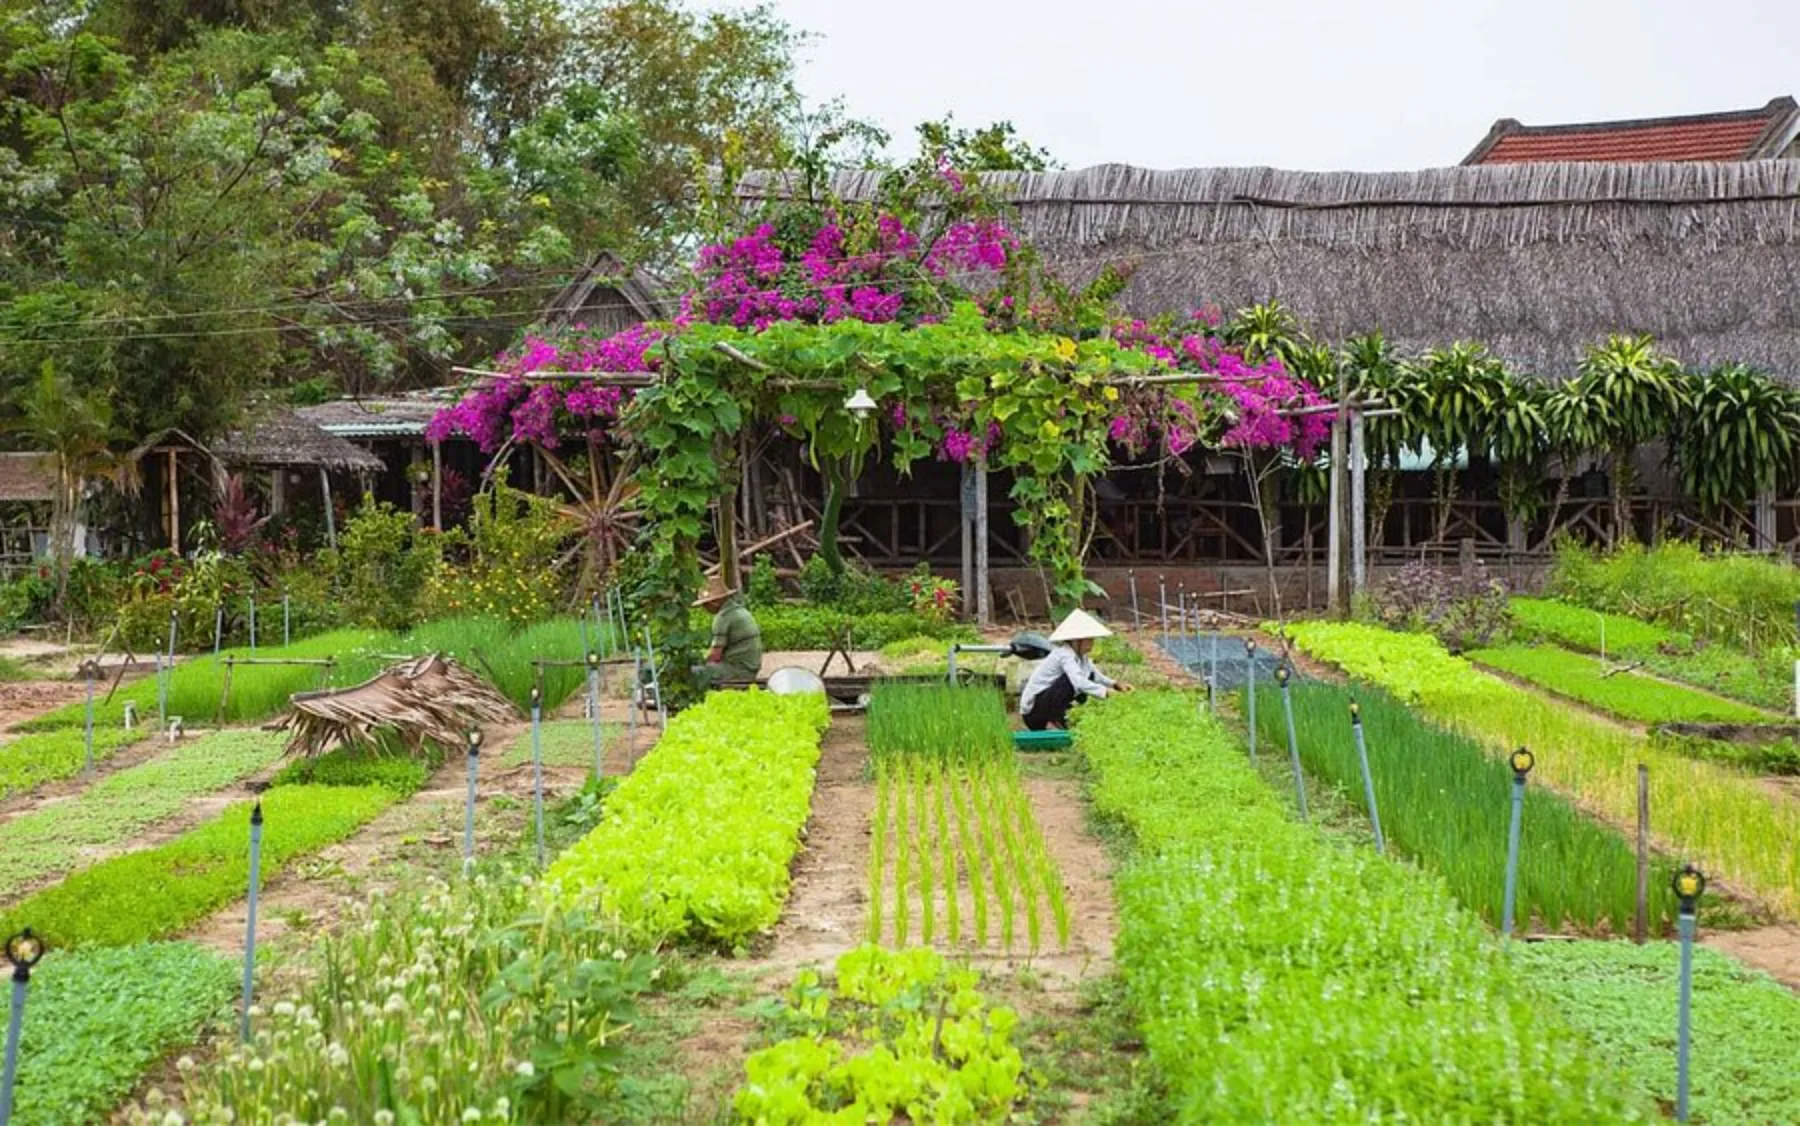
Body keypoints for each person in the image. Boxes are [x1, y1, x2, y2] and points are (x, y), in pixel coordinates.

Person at [1019, 609, 1133, 731]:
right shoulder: (1064, 654)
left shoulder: (1081, 657)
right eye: (1088, 640)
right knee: (1071, 681)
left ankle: (1065, 718)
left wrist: (1115, 684)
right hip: (1034, 713)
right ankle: (1054, 720)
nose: (1092, 644)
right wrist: (1106, 692)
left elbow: (1095, 675)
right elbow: (1078, 682)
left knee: (1087, 677)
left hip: (1046, 704)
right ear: (1076, 641)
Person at [692, 576, 763, 690]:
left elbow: (715, 655)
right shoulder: (740, 610)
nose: (704, 609)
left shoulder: (723, 617)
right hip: (750, 669)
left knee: (694, 672)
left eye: (705, 604)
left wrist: (700, 662)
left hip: (737, 671)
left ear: (714, 602)